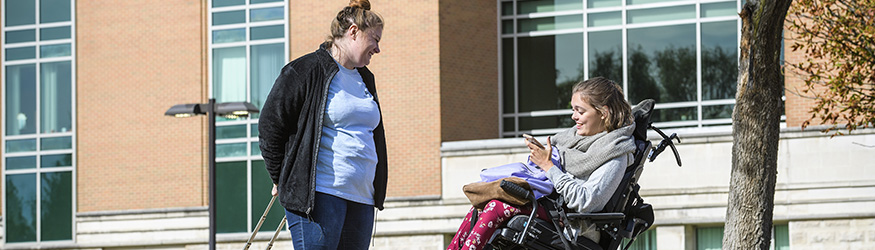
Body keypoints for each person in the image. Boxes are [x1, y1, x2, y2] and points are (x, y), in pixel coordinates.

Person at [447, 77, 637, 250]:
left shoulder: (615, 153)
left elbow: (587, 201)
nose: (574, 117)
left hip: (572, 223)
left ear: (603, 112)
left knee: (497, 207)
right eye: (573, 110)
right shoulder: (570, 140)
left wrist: (549, 167)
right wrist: (543, 160)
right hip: (550, 207)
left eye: (580, 111)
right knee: (480, 204)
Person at [257, 0, 385, 249]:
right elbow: (270, 127)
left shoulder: (365, 78)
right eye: (375, 39)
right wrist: (284, 179)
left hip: (361, 197)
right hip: (321, 197)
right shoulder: (305, 70)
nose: (378, 48)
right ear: (353, 32)